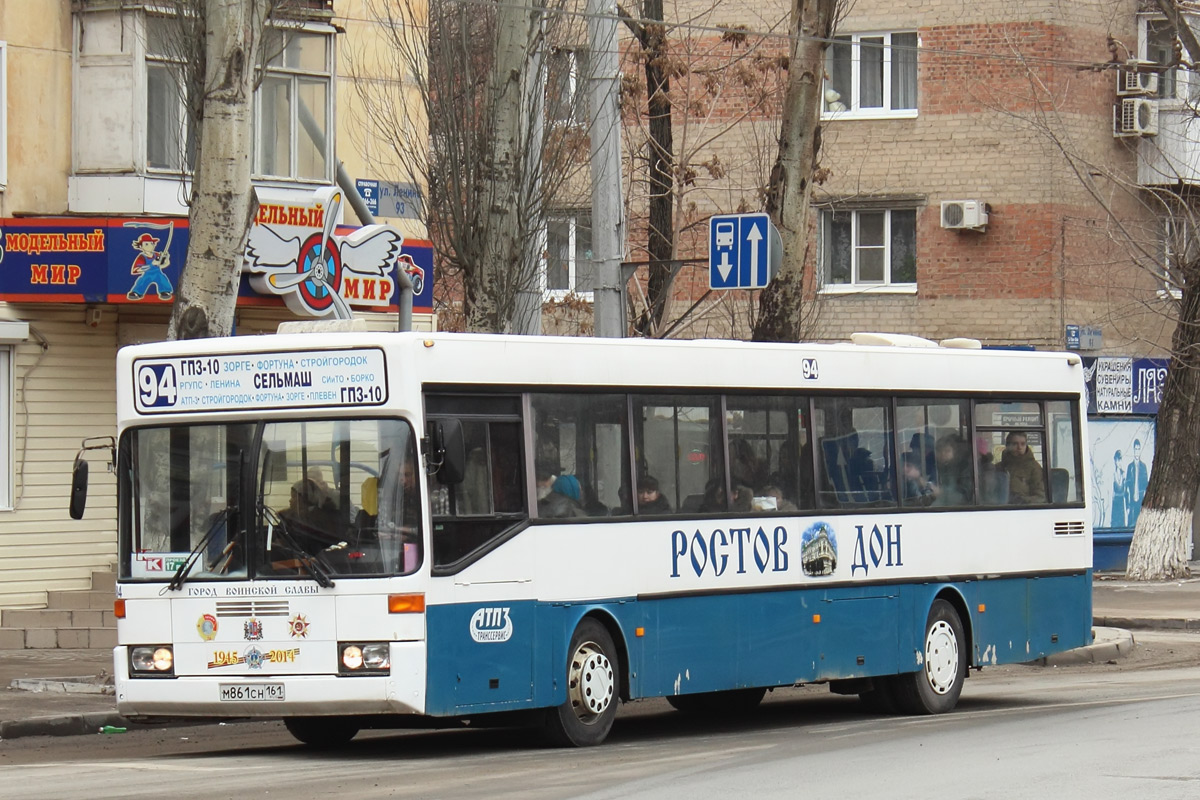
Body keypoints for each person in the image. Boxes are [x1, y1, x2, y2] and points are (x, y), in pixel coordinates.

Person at [1000, 431, 1046, 504]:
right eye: (1015, 444)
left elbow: (1040, 497)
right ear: (1008, 446)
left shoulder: (1034, 467)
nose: (1019, 447)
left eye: (1023, 444)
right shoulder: (1000, 467)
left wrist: (1021, 501)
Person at [931, 433, 972, 506]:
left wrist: (941, 493)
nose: (943, 454)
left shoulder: (963, 469)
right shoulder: (933, 467)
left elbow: (965, 496)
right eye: (939, 451)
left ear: (954, 452)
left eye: (947, 451)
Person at [1125, 439, 1149, 524]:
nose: (1137, 451)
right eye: (1136, 449)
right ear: (1133, 450)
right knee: (1131, 523)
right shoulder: (1130, 467)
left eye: (1138, 449)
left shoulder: (1143, 467)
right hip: (1132, 500)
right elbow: (1127, 488)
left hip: (1140, 500)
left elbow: (1146, 486)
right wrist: (1127, 505)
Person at [1110, 450, 1128, 528]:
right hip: (1115, 503)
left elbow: (1126, 492)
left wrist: (1127, 507)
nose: (1119, 462)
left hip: (1122, 502)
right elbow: (1111, 492)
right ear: (1115, 461)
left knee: (1122, 524)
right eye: (1118, 460)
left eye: (1120, 460)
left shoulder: (1123, 474)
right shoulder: (1113, 475)